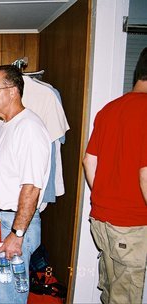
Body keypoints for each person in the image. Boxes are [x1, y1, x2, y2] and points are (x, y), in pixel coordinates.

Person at [82, 47, 147, 304]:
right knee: (126, 297)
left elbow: (89, 161)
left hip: (102, 219)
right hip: (131, 223)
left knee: (111, 291)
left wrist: (106, 197)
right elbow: (145, 174)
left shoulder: (109, 109)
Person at [0, 65, 51, 304]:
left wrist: (17, 234)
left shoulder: (29, 128)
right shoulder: (4, 128)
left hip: (13, 225)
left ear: (13, 91)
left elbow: (32, 187)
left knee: (9, 297)